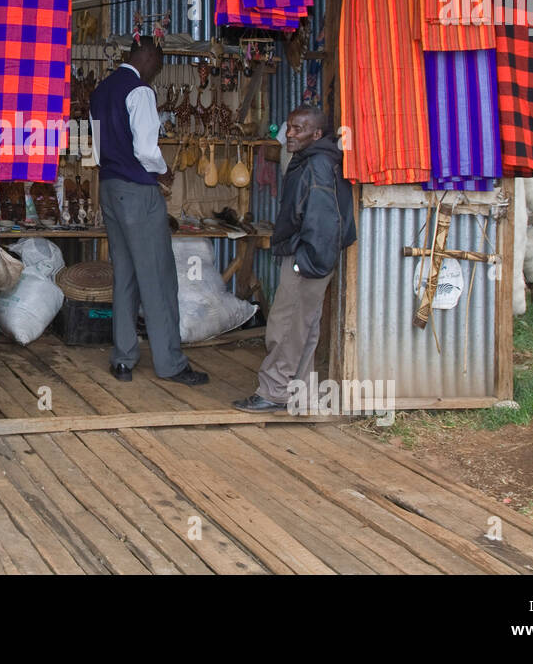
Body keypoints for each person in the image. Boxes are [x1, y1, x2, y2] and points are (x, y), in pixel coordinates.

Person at [89, 38, 208, 385]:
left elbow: (97, 148)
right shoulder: (139, 91)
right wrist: (162, 170)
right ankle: (171, 363)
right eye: (158, 63)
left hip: (109, 187)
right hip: (138, 191)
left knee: (124, 274)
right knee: (157, 277)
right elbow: (145, 148)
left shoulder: (101, 90)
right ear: (149, 57)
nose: (157, 71)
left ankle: (123, 359)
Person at [233, 105, 356, 411]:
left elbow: (324, 221)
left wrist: (306, 262)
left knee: (284, 325)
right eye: (288, 127)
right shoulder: (312, 161)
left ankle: (274, 392)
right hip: (308, 254)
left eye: (298, 129)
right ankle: (300, 394)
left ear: (316, 134)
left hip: (309, 257)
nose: (289, 133)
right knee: (304, 327)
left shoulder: (318, 166)